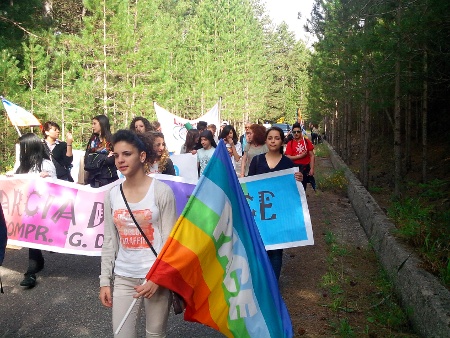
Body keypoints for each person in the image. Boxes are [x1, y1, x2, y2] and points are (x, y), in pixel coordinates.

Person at [99, 129, 177, 338]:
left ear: (142, 156)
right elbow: (109, 240)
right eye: (116, 155)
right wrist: (105, 281)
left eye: (127, 154)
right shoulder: (112, 195)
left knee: (155, 335)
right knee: (122, 334)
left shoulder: (161, 192)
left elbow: (171, 242)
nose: (120, 160)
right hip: (124, 276)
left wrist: (158, 279)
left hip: (155, 278)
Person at [248, 126, 303, 282]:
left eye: (277, 138)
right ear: (266, 140)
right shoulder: (256, 161)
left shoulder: (288, 164)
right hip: (260, 214)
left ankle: (273, 285)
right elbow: (250, 186)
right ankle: (261, 285)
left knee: (276, 252)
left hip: (279, 215)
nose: (273, 141)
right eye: (270, 138)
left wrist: (299, 178)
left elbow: (292, 192)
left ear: (282, 141)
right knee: (260, 249)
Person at [14, 133, 57, 288]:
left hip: (40, 209)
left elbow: (56, 186)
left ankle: (31, 272)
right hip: (24, 208)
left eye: (23, 146)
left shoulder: (45, 164)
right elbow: (16, 179)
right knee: (31, 237)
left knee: (32, 236)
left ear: (30, 147)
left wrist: (46, 178)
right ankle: (37, 262)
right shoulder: (21, 165)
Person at [84, 115, 119, 188]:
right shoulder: (93, 140)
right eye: (92, 124)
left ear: (102, 124)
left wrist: (97, 158)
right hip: (93, 177)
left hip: (108, 177)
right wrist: (104, 158)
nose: (92, 126)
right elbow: (87, 158)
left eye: (94, 123)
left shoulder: (111, 140)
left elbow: (113, 159)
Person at [285, 122, 315, 191]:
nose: (296, 133)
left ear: (301, 132)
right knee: (293, 188)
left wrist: (312, 168)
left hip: (304, 169)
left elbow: (312, 156)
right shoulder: (290, 143)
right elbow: (288, 157)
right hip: (294, 169)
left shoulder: (307, 142)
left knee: (302, 188)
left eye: (298, 131)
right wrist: (300, 156)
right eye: (294, 132)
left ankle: (302, 201)